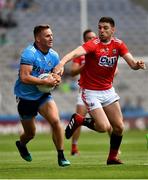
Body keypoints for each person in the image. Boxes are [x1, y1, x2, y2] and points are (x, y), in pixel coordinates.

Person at [53, 17, 146, 165]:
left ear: (113, 30)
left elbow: (132, 64)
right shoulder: (93, 45)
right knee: (103, 127)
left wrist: (137, 64)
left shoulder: (119, 44)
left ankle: (112, 157)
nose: (101, 31)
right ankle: (79, 120)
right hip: (90, 91)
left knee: (119, 127)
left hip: (108, 90)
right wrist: (61, 63)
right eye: (100, 28)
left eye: (105, 28)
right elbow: (74, 54)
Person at [14, 24, 70, 167]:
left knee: (56, 122)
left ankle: (61, 156)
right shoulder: (29, 53)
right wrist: (44, 81)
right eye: (47, 35)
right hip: (26, 98)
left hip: (43, 96)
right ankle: (21, 144)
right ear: (38, 39)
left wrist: (57, 78)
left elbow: (57, 72)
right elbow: (24, 77)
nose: (51, 37)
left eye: (51, 35)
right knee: (30, 134)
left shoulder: (54, 55)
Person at [70, 29, 119, 155]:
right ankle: (74, 147)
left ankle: (114, 148)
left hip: (103, 90)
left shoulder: (102, 50)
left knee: (109, 122)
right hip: (86, 91)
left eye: (93, 37)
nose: (92, 39)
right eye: (89, 38)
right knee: (80, 116)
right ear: (85, 40)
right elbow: (72, 72)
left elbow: (116, 70)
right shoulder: (81, 54)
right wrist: (86, 65)